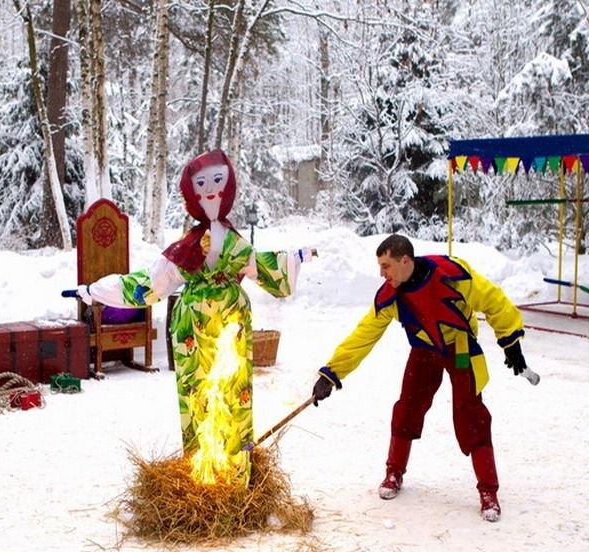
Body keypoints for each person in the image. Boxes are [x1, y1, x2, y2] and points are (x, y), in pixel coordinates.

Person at [73, 149, 314, 486]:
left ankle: (234, 472)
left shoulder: (234, 242)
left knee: (234, 391)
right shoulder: (186, 248)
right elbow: (152, 283)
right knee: (196, 391)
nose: (211, 190)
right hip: (193, 327)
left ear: (228, 187)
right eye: (202, 183)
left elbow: (261, 267)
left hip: (233, 321)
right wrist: (96, 290)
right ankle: (203, 472)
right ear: (192, 192)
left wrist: (295, 257)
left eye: (218, 180)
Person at [311, 233, 528, 522]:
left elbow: (494, 301)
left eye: (386, 266)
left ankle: (488, 490)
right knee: (407, 408)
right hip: (423, 351)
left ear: (404, 261)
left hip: (460, 349)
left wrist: (510, 341)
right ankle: (394, 472)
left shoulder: (453, 274)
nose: (382, 273)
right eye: (380, 266)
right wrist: (332, 372)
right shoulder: (390, 296)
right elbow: (364, 335)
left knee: (471, 414)